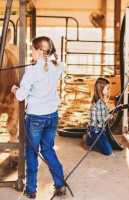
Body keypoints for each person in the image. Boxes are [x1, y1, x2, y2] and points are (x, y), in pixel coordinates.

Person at [11, 36, 66, 199]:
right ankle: (60, 185)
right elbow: (60, 65)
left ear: (39, 52)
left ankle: (31, 189)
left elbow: (21, 96)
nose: (31, 53)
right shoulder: (57, 66)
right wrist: (42, 63)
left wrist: (15, 89)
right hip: (52, 115)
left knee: (32, 153)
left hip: (36, 117)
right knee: (48, 149)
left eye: (33, 50)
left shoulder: (32, 72)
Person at [83, 77, 121, 156]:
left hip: (101, 129)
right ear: (101, 89)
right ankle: (89, 140)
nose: (109, 90)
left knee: (109, 145)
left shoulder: (102, 101)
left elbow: (107, 112)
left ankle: (90, 140)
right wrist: (112, 112)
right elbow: (102, 120)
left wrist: (116, 108)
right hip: (95, 130)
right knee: (108, 152)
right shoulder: (98, 103)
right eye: (107, 88)